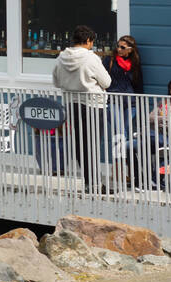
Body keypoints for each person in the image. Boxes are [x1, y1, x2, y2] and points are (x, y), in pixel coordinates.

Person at [52, 24, 112, 192]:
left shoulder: (61, 57)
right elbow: (107, 82)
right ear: (87, 40)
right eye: (91, 42)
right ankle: (95, 185)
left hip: (71, 104)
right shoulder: (91, 58)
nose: (92, 45)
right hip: (93, 104)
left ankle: (89, 182)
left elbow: (56, 82)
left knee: (80, 144)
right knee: (92, 144)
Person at [103, 35, 143, 186]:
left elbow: (139, 85)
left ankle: (129, 171)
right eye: (118, 46)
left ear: (131, 50)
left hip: (130, 103)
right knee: (120, 133)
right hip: (113, 101)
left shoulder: (135, 63)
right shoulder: (109, 61)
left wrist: (140, 104)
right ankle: (118, 170)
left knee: (126, 136)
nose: (118, 49)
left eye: (123, 47)